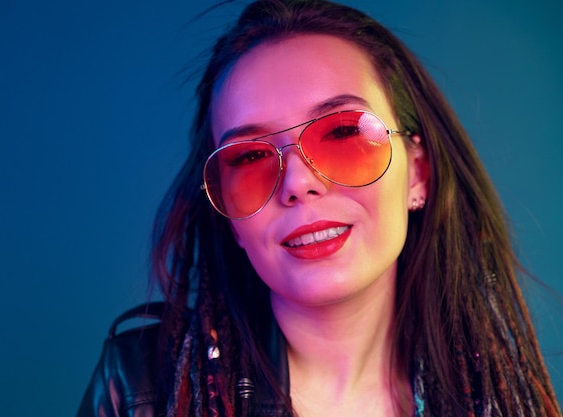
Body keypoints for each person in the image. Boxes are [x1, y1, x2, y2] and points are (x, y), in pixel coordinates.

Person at [77, 1, 562, 416]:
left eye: (344, 133)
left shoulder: (500, 400)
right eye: (249, 157)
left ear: (418, 173)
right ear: (229, 216)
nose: (299, 183)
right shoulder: (141, 389)